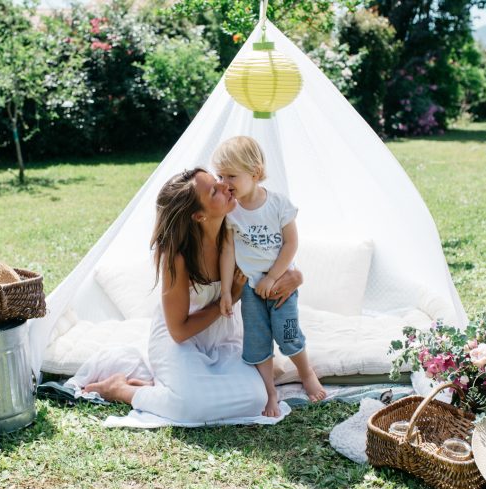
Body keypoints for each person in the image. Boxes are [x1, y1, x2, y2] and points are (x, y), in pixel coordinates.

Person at [84, 168, 302, 423]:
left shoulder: (239, 230)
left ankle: (171, 385)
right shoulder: (176, 256)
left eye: (218, 181)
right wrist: (229, 296)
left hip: (225, 336)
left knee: (256, 398)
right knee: (191, 406)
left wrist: (295, 277)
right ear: (199, 215)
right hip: (180, 341)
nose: (225, 186)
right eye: (214, 191)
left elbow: (280, 263)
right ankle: (122, 389)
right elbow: (178, 330)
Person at [214, 136, 326, 418]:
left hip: (281, 284)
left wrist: (273, 277)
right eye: (220, 175)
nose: (224, 182)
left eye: (231, 176)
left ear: (254, 173)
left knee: (287, 335)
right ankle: (270, 391)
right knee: (257, 341)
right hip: (251, 290)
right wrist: (227, 291)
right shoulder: (231, 211)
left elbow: (290, 245)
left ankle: (306, 372)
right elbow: (227, 251)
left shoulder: (278, 205)